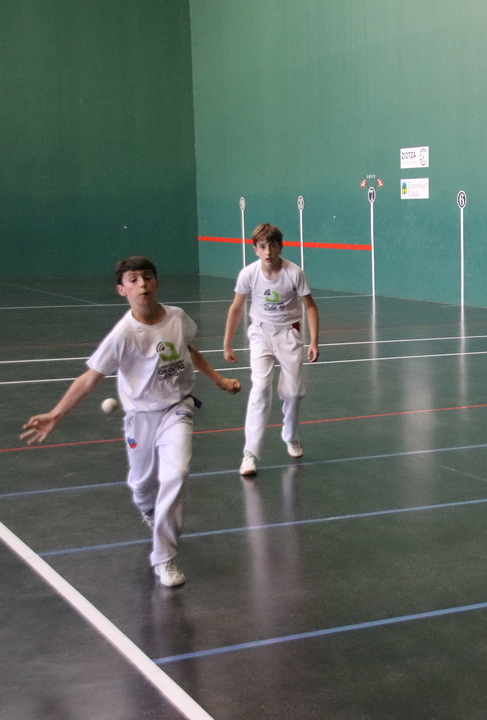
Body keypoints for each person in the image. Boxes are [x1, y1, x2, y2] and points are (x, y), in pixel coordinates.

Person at [21, 257, 241, 587]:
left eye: (147, 277)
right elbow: (89, 379)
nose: (142, 284)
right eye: (133, 280)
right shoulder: (123, 334)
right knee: (142, 484)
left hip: (177, 409)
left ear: (156, 282)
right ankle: (146, 506)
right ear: (122, 290)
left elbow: (189, 349)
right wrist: (56, 414)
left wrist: (218, 379)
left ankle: (164, 557)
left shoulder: (178, 317)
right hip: (140, 416)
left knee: (177, 474)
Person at [223, 223, 320, 476]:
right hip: (260, 334)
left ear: (280, 247)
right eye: (263, 246)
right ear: (255, 249)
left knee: (294, 393)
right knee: (259, 390)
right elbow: (236, 307)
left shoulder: (294, 272)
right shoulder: (249, 273)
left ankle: (290, 435)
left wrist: (314, 341)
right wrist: (227, 342)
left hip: (289, 334)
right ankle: (250, 454)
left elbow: (310, 306)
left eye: (273, 246)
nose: (268, 251)